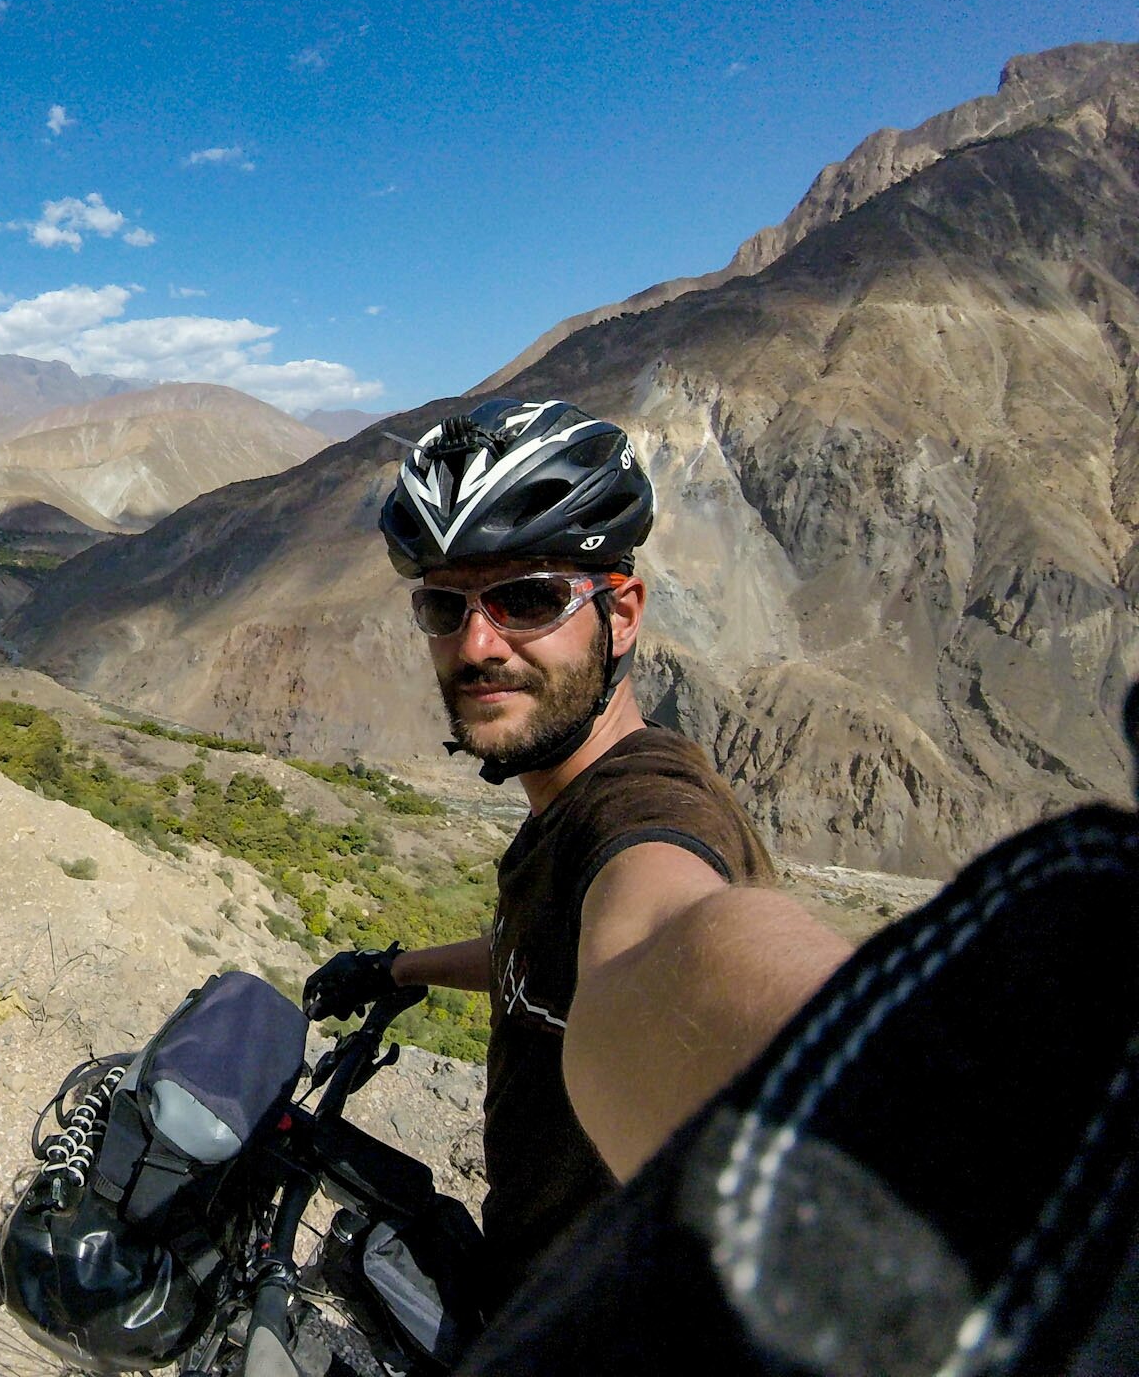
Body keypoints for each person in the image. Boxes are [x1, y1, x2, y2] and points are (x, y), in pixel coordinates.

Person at [304, 397, 852, 1309]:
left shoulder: (643, 814)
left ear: (621, 613)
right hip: (521, 1285)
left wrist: (880, 1108)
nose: (478, 644)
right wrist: (396, 969)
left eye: (527, 598)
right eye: (445, 605)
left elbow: (662, 939)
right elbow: (537, 957)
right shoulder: (561, 814)